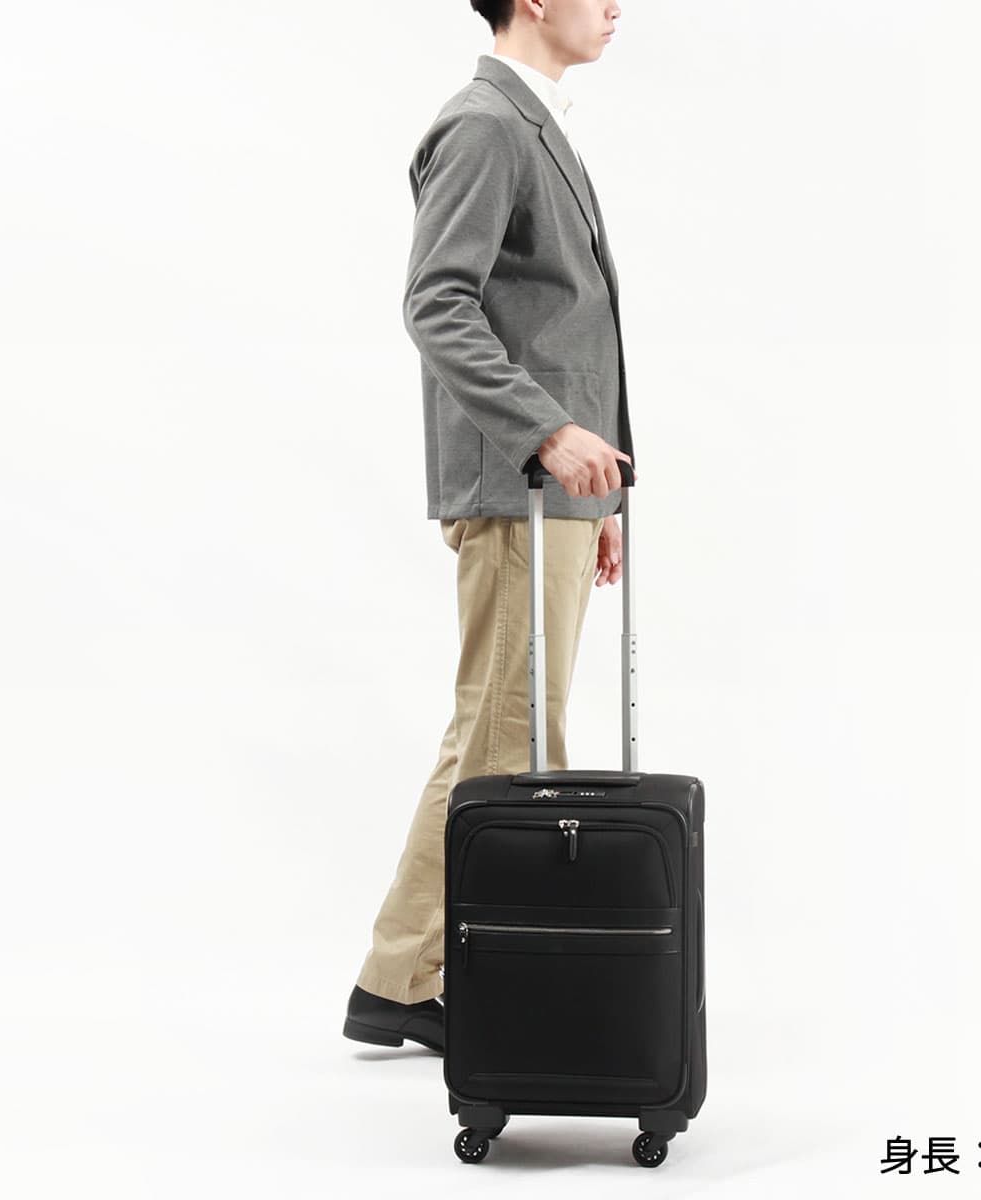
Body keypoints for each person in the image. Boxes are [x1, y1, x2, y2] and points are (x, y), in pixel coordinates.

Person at [343, 0, 633, 1054]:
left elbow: (557, 324)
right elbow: (438, 303)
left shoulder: (531, 123)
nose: (616, 5)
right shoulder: (485, 125)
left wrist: (597, 493)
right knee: (510, 743)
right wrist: (547, 434)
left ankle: (399, 977)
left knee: (498, 734)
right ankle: (440, 981)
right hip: (519, 484)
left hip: (552, 494)